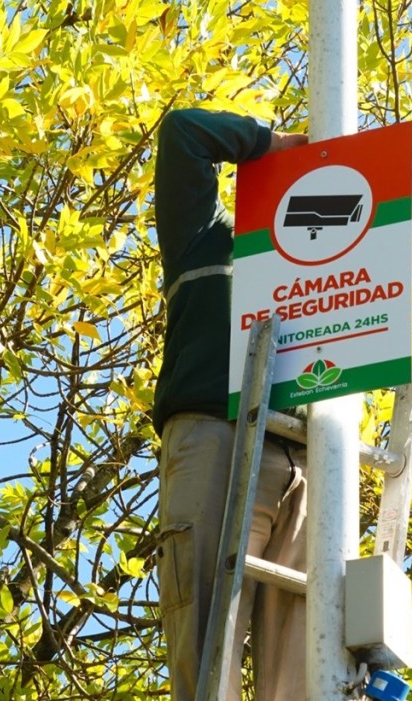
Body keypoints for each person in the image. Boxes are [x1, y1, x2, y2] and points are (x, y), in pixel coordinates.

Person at [153, 107, 309, 701]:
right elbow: (184, 133)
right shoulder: (205, 235)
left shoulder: (328, 252)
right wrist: (275, 143)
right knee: (206, 647)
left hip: (307, 456)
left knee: (302, 670)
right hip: (216, 436)